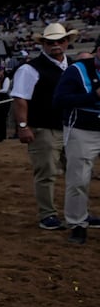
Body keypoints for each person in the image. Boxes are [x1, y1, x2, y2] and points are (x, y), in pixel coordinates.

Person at [10, 23, 73, 230]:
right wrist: (22, 125)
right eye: (50, 42)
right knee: (46, 172)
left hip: (71, 127)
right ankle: (48, 214)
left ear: (67, 42)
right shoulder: (30, 68)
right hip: (44, 127)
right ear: (43, 44)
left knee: (78, 172)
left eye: (60, 41)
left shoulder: (72, 66)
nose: (56, 45)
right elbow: (20, 99)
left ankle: (78, 211)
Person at [54, 48, 100, 246]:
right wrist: (94, 95)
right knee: (78, 179)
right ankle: (77, 224)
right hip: (83, 129)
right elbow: (59, 100)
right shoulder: (76, 70)